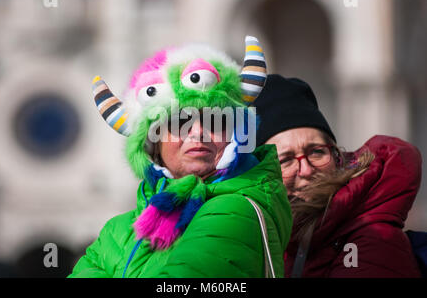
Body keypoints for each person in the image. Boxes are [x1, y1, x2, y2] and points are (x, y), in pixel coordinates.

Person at [68, 38, 293, 278]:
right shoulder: (116, 230)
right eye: (180, 121)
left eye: (215, 120)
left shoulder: (235, 209)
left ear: (235, 136)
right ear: (154, 142)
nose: (197, 132)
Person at [253, 74, 422, 278]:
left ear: (337, 156)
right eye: (285, 160)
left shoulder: (370, 239)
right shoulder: (282, 236)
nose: (306, 169)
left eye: (316, 152)